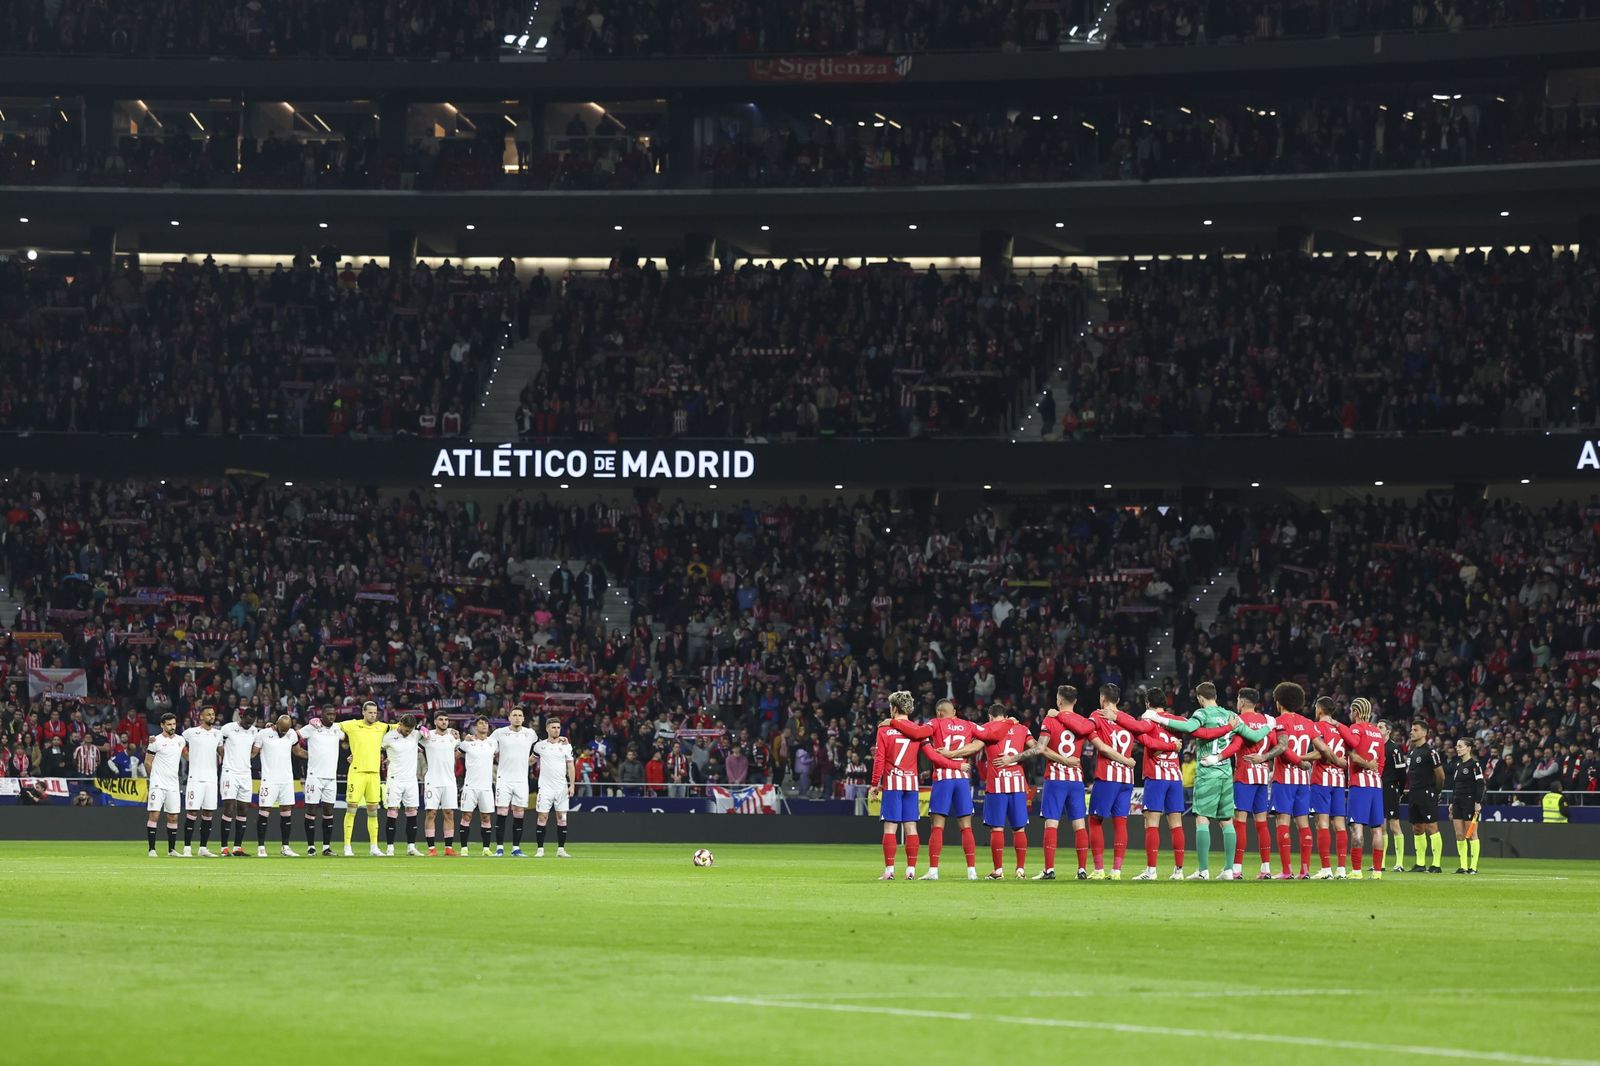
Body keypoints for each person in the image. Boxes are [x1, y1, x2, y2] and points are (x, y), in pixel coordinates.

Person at [1150, 681, 1268, 880]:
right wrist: (1268, 727)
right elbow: (1255, 736)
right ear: (1216, 696)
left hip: (1207, 771)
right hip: (1226, 773)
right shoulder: (1231, 715)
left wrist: (1158, 718)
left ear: (1200, 698)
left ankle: (1203, 871)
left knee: (1202, 819)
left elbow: (1187, 726)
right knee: (1226, 821)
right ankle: (1229, 870)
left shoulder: (1202, 715)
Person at [887, 697, 978, 881]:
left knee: (937, 826)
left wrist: (893, 721)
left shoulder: (935, 723)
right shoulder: (968, 725)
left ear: (939, 713)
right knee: (966, 827)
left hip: (944, 778)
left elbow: (918, 732)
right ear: (953, 712)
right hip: (962, 779)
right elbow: (986, 738)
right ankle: (972, 871)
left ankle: (933, 870)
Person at [1032, 684, 1097, 880]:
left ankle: (1049, 869)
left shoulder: (1050, 719)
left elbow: (1041, 749)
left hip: (1055, 778)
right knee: (1079, 825)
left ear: (1059, 700)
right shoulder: (1083, 722)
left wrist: (1063, 760)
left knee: (1051, 823)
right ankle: (1082, 869)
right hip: (1076, 780)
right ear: (1075, 701)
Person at [1257, 682, 1316, 879]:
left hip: (1284, 779)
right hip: (1303, 781)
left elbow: (1281, 747)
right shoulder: (1309, 723)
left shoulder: (1278, 722)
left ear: (1279, 702)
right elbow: (1322, 749)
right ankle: (1305, 870)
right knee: (1303, 823)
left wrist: (1264, 757)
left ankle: (1286, 870)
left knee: (1283, 821)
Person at [968, 704, 1032, 879]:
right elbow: (1036, 749)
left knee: (996, 829)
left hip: (996, 785)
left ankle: (998, 871)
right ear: (1005, 715)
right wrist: (1015, 758)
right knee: (1019, 830)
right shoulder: (1022, 728)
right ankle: (1020, 870)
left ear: (990, 716)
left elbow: (974, 748)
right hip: (1018, 785)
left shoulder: (988, 728)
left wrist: (951, 754)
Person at [868, 690, 924, 880]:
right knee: (911, 827)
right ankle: (911, 871)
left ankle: (889, 871)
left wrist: (874, 783)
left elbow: (879, 759)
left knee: (890, 828)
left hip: (892, 783)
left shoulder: (884, 729)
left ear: (893, 708)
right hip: (912, 782)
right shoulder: (917, 730)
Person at [1086, 684, 1139, 880]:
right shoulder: (1129, 719)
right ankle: (1116, 871)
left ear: (1103, 698)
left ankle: (1099, 869)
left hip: (1108, 776)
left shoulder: (1098, 715)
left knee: (1095, 820)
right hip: (1127, 779)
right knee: (1120, 823)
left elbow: (1102, 747)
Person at [1131, 693, 1185, 881]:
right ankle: (1179, 871)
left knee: (1152, 823)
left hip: (1156, 776)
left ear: (1147, 704)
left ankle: (1151, 871)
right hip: (1175, 777)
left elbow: (1146, 742)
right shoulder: (1177, 722)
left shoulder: (1148, 721)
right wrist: (1173, 745)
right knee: (1176, 824)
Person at [1230, 688, 1277, 879]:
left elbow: (1235, 745)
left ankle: (1236, 869)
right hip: (1262, 776)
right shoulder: (1267, 721)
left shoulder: (1238, 720)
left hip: (1244, 775)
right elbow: (1277, 745)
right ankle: (1265, 868)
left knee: (1240, 822)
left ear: (1241, 702)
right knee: (1261, 823)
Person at [1307, 696, 1352, 879]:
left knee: (1322, 823)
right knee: (1339, 824)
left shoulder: (1316, 726)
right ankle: (1341, 869)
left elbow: (1320, 752)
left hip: (1322, 779)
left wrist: (1299, 757)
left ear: (1319, 709)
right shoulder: (1341, 729)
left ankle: (1326, 869)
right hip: (1339, 781)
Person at [1343, 699, 1387, 880]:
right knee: (1377, 829)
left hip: (1359, 784)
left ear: (1355, 711)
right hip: (1375, 785)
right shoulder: (1377, 732)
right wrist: (1375, 772)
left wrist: (1367, 766)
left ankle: (1356, 870)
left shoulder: (1355, 729)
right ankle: (1377, 871)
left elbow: (1352, 754)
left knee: (1357, 827)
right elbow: (1382, 761)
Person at [339, 702, 390, 857]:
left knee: (373, 811)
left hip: (374, 774)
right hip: (357, 772)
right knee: (352, 807)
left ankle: (374, 847)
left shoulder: (381, 727)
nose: (373, 715)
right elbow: (332, 726)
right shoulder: (352, 725)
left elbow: (401, 727)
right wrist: (316, 722)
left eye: (375, 713)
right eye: (370, 713)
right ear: (363, 712)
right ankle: (347, 846)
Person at [252, 714, 301, 857]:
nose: (284, 732)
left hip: (286, 780)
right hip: (269, 780)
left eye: (287, 729)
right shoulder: (263, 734)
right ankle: (261, 847)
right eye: (282, 729)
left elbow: (298, 752)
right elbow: (253, 753)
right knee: (264, 810)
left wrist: (316, 757)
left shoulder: (291, 734)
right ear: (276, 724)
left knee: (286, 811)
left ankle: (285, 847)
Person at [491, 707, 537, 857]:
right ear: (509, 718)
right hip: (504, 779)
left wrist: (527, 762)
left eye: (520, 715)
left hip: (521, 780)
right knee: (502, 812)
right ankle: (499, 848)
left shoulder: (530, 734)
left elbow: (540, 749)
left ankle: (516, 848)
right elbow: (488, 746)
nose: (517, 718)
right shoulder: (499, 733)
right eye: (514, 715)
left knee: (519, 813)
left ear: (523, 719)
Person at [297, 711, 342, 856]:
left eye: (333, 714)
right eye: (328, 714)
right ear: (321, 716)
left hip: (331, 778)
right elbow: (294, 736)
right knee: (311, 811)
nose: (331, 716)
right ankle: (311, 847)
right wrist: (302, 753)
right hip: (314, 777)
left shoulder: (337, 728)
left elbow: (350, 737)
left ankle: (326, 847)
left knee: (328, 812)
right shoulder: (311, 727)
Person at [180, 706, 222, 857]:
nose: (212, 716)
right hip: (195, 778)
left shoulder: (218, 734)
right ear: (201, 717)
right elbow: (178, 743)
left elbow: (221, 751)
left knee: (208, 812)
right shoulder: (191, 732)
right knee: (192, 811)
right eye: (208, 714)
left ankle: (203, 847)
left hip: (211, 778)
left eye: (213, 714)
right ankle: (187, 848)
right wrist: (187, 756)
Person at [532, 717, 576, 857]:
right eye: (553, 727)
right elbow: (532, 760)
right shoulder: (540, 746)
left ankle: (561, 850)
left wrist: (572, 785)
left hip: (561, 787)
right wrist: (517, 764)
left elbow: (571, 766)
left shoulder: (566, 746)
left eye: (558, 727)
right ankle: (540, 849)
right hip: (545, 787)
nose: (556, 730)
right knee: (543, 817)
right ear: (547, 729)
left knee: (561, 817)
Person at [217, 708, 259, 857]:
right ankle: (224, 848)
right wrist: (225, 756)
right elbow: (218, 742)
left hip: (245, 773)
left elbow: (257, 747)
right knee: (229, 807)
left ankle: (237, 848)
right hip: (230, 772)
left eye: (251, 722)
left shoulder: (254, 731)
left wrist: (251, 756)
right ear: (242, 716)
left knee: (243, 809)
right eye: (247, 721)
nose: (249, 724)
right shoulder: (228, 728)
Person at [381, 714, 424, 857]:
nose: (408, 732)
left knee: (412, 813)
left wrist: (451, 732)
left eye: (411, 730)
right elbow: (376, 749)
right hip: (395, 779)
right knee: (393, 812)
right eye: (406, 729)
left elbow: (435, 734)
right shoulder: (388, 737)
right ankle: (390, 848)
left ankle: (411, 847)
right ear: (400, 724)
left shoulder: (416, 735)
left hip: (411, 780)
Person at [143, 713, 185, 857]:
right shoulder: (155, 741)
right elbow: (147, 762)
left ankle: (172, 850)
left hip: (173, 784)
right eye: (169, 724)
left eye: (173, 724)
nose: (172, 727)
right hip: (158, 784)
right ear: (162, 725)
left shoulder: (181, 740)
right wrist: (153, 778)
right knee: (154, 815)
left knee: (173, 817)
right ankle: (152, 849)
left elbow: (185, 755)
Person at [1407, 721, 1446, 873]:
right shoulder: (1412, 752)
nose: (1412, 732)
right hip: (1414, 793)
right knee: (1417, 828)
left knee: (1431, 826)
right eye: (1411, 729)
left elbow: (1440, 775)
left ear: (1424, 733)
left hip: (1427, 792)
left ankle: (1436, 864)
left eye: (1415, 730)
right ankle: (1420, 863)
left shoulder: (1430, 752)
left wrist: (1436, 791)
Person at [456, 716, 498, 856]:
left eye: (486, 723)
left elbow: (500, 758)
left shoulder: (493, 743)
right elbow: (454, 756)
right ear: (475, 727)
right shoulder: (468, 742)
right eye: (481, 723)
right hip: (470, 786)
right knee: (466, 816)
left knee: (486, 817)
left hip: (486, 786)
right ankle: (464, 848)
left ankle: (486, 849)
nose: (484, 725)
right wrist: (462, 741)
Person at [421, 712, 461, 856]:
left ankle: (448, 848)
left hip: (449, 781)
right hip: (432, 781)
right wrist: (422, 729)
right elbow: (417, 732)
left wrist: (452, 731)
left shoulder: (453, 738)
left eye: (446, 720)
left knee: (449, 814)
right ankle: (431, 849)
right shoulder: (427, 736)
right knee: (431, 813)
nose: (444, 722)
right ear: (435, 721)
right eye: (441, 720)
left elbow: (461, 749)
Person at [1451, 738, 1484, 875]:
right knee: (1459, 834)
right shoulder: (1458, 765)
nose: (1457, 748)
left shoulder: (1474, 764)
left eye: (1460, 746)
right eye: (1457, 746)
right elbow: (1455, 785)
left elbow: (1480, 784)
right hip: (1457, 802)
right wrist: (1452, 802)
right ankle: (1463, 866)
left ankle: (1473, 867)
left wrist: (1478, 802)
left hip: (1469, 802)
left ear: (1469, 748)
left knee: (1471, 834)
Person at [1381, 719, 1410, 872]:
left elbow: (1402, 773)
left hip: (1390, 788)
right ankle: (1381, 863)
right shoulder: (1376, 747)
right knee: (1380, 825)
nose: (1377, 729)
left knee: (1394, 825)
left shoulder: (1394, 749)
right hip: (1378, 788)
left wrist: (1399, 791)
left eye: (1380, 727)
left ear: (1388, 731)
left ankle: (1399, 863)